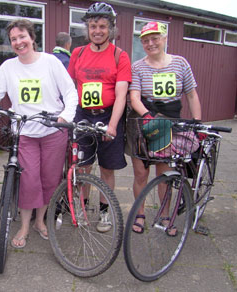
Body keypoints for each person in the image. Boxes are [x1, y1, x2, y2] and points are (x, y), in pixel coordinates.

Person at [0, 19, 78, 249]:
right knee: (29, 180)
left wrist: (67, 115)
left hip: (53, 130)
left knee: (50, 179)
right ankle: (24, 225)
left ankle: (41, 222)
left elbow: (70, 92)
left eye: (22, 37)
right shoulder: (8, 67)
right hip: (24, 132)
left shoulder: (50, 62)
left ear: (32, 37)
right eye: (13, 39)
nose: (19, 42)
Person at [127, 21, 202, 235]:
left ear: (164, 38)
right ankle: (139, 213)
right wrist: (148, 116)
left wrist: (196, 123)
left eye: (155, 38)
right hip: (145, 122)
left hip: (170, 122)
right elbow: (134, 97)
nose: (151, 43)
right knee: (141, 173)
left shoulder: (180, 63)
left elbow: (191, 94)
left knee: (165, 173)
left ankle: (165, 214)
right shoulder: (138, 66)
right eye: (146, 40)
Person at [68, 2, 131, 232]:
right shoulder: (78, 53)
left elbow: (122, 95)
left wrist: (113, 125)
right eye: (93, 26)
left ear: (110, 28)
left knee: (106, 169)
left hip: (108, 115)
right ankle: (83, 210)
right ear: (87, 28)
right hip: (83, 115)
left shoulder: (119, 56)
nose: (97, 30)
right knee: (83, 168)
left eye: (102, 26)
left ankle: (105, 214)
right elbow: (70, 87)